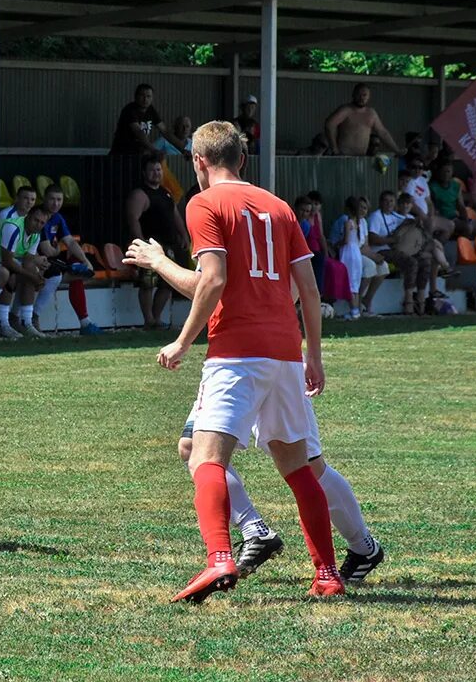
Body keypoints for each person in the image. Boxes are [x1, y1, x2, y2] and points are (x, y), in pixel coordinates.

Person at [140, 120, 342, 602]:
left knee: (205, 456)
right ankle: (328, 573)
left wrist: (184, 341)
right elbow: (310, 290)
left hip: (235, 351)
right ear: (243, 159)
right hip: (284, 353)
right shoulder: (279, 207)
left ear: (199, 161)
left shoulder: (203, 203)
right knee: (298, 467)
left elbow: (212, 280)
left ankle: (219, 559)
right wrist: (312, 353)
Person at [124, 236, 384, 584]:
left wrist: (158, 261)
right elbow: (290, 286)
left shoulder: (227, 213)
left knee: (305, 464)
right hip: (254, 354)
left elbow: (208, 284)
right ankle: (257, 531)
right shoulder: (259, 214)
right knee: (194, 448)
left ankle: (362, 546)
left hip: (254, 358)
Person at [125, 156, 189, 329]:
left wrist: (183, 235)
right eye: (152, 170)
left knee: (168, 283)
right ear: (144, 172)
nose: (156, 173)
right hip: (150, 246)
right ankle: (148, 320)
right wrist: (141, 243)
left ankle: (156, 318)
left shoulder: (165, 192)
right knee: (148, 283)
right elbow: (133, 219)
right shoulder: (140, 194)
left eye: (159, 170)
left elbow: (175, 216)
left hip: (169, 246)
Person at [39, 184, 102, 335]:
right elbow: (47, 250)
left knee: (77, 267)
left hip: (48, 262)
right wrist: (58, 249)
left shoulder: (58, 218)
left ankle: (85, 323)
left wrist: (86, 261)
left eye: (59, 200)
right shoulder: (39, 217)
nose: (56, 203)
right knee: (75, 274)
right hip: (35, 262)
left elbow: (71, 242)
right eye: (52, 199)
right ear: (44, 199)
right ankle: (84, 322)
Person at [367, 191, 429, 315]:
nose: (389, 203)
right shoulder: (376, 216)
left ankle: (421, 298)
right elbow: (372, 239)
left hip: (397, 250)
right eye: (386, 201)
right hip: (381, 251)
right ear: (380, 203)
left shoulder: (396, 216)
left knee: (425, 261)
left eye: (391, 201)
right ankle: (408, 301)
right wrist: (392, 240)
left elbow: (408, 226)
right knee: (411, 262)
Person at [0, 204, 51, 338]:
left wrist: (37, 275)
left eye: (42, 223)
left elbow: (28, 260)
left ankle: (27, 322)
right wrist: (32, 276)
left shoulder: (36, 235)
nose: (38, 224)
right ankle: (3, 323)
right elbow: (7, 260)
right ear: (28, 216)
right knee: (11, 276)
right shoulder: (13, 227)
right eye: (35, 220)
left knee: (31, 272)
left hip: (9, 261)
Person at [109, 83, 188, 159]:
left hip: (139, 155)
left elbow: (165, 131)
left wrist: (183, 150)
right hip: (121, 154)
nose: (145, 99)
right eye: (142, 96)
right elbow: (138, 132)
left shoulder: (151, 110)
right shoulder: (129, 110)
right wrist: (153, 150)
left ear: (152, 98)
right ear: (135, 96)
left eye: (148, 96)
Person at [323, 83, 400, 157]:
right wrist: (334, 148)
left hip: (361, 156)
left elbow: (383, 133)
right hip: (343, 155)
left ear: (368, 97)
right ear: (353, 95)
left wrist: (396, 150)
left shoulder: (371, 113)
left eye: (364, 95)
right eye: (359, 95)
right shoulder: (346, 110)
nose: (361, 98)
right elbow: (329, 124)